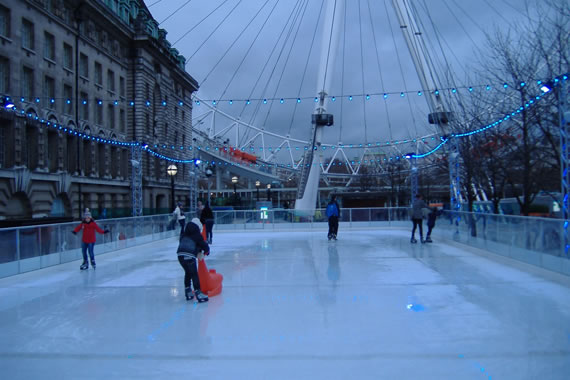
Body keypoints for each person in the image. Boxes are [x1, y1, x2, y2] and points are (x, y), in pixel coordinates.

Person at [177, 218, 210, 303]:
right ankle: (198, 293)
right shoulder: (196, 234)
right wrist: (207, 251)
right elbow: (203, 244)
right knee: (194, 274)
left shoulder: (185, 233)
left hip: (180, 255)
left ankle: (188, 291)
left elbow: (184, 242)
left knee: (188, 272)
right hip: (189, 256)